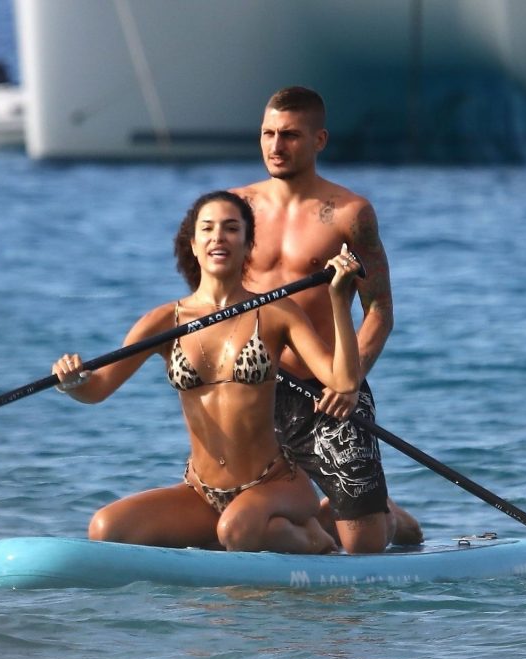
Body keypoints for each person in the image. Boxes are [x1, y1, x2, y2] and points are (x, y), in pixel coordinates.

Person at [52, 190, 364, 554]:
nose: (219, 237)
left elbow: (342, 381)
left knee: (237, 529)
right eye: (208, 228)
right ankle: (245, 533)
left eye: (231, 228)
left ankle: (318, 537)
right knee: (106, 528)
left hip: (275, 483)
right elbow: (97, 389)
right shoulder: (164, 322)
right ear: (194, 245)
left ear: (248, 245)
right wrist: (72, 382)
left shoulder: (277, 312)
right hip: (202, 492)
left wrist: (338, 299)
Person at [231, 86, 423, 553]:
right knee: (238, 525)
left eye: (291, 135)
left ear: (319, 140)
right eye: (268, 134)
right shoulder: (235, 209)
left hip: (327, 390)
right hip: (255, 387)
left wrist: (349, 382)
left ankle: (389, 516)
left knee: (364, 549)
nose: (276, 146)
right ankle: (315, 518)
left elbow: (380, 310)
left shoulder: (350, 214)